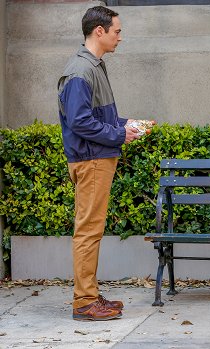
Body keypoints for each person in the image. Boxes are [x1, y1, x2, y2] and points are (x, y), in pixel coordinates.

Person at [58, 6, 150, 321]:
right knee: (88, 232)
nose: (120, 37)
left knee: (91, 230)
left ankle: (90, 296)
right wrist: (118, 135)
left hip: (96, 157)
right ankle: (84, 302)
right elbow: (80, 122)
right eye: (117, 31)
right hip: (91, 160)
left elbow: (96, 117)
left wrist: (126, 124)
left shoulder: (91, 67)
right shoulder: (81, 71)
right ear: (100, 31)